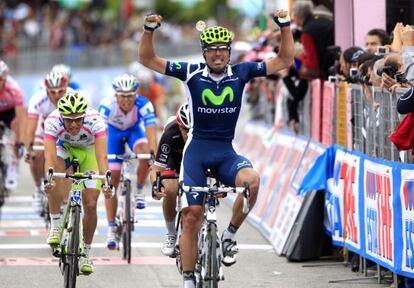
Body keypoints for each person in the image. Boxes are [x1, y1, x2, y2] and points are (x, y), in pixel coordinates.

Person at [138, 10, 294, 288]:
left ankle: (230, 235)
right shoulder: (191, 73)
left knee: (252, 182)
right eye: (212, 51)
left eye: (222, 50)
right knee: (192, 217)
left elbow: (285, 60)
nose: (218, 55)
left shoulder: (242, 71)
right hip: (195, 153)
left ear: (230, 52)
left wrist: (284, 26)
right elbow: (147, 59)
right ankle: (188, 280)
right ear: (204, 53)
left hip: (225, 153)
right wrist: (149, 30)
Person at [43, 90, 111, 274]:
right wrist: (49, 179)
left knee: (90, 205)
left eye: (78, 119)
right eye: (69, 120)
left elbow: (102, 156)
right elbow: (49, 155)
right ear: (61, 117)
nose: (73, 125)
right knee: (55, 172)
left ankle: (86, 254)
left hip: (89, 152)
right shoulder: (52, 120)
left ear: (84, 116)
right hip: (65, 149)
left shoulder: (96, 121)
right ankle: (56, 225)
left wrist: (106, 181)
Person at [98, 73, 158, 249]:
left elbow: (151, 132)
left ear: (135, 94)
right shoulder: (106, 106)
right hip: (113, 135)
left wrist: (153, 156)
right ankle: (110, 227)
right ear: (116, 95)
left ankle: (139, 190)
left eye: (130, 96)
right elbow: (100, 136)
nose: (126, 100)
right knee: (113, 179)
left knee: (145, 153)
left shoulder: (144, 104)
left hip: (134, 132)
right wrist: (102, 159)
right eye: (122, 96)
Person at [25, 71, 69, 215]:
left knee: (66, 161)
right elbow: (30, 127)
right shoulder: (38, 99)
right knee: (36, 155)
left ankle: (63, 196)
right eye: (53, 92)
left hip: (64, 135)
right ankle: (38, 190)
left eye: (61, 91)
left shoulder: (73, 96)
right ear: (46, 90)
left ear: (66, 88)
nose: (57, 95)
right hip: (43, 132)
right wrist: (28, 149)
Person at [150, 103, 190, 256]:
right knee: (171, 189)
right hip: (173, 160)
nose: (187, 135)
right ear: (179, 126)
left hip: (194, 159)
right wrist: (156, 185)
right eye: (184, 130)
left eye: (190, 130)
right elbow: (156, 168)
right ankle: (171, 233)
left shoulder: (203, 132)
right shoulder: (170, 134)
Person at [0, 60, 26, 189]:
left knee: (17, 125)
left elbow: (21, 117)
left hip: (10, 112)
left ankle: (13, 163)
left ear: (5, 79)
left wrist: (20, 142)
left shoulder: (14, 88)